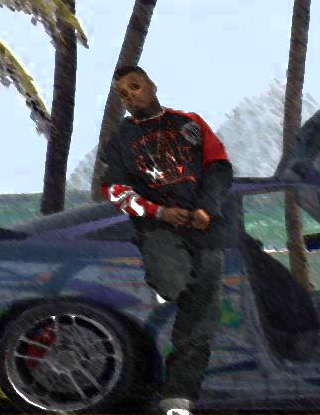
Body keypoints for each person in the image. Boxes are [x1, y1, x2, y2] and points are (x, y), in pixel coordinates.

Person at [99, 65, 232, 415]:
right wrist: (157, 212)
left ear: (152, 85)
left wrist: (206, 208)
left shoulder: (189, 122)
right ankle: (165, 285)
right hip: (158, 230)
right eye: (123, 94)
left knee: (200, 323)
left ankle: (179, 397)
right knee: (174, 284)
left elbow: (219, 166)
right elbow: (114, 189)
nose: (130, 97)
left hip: (204, 231)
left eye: (135, 87)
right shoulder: (122, 138)